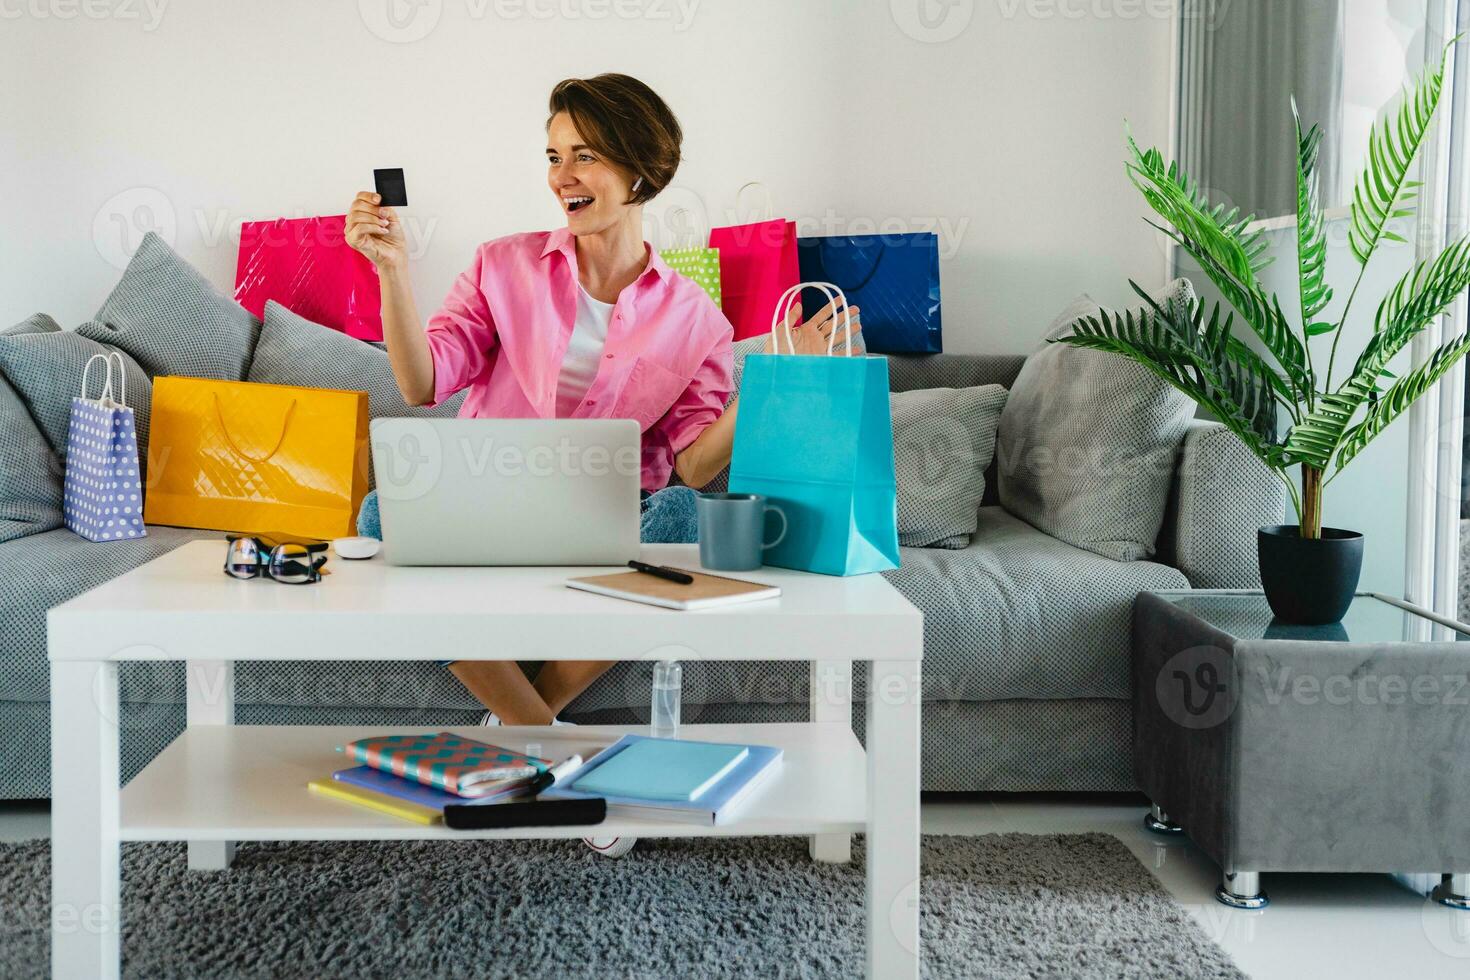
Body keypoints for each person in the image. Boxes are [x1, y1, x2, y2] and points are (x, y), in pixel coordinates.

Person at [346, 72, 858, 730]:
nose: (563, 177)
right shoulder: (502, 265)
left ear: (640, 170)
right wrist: (391, 270)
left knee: (682, 515)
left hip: (605, 522)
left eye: (585, 156)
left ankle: (520, 725)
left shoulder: (695, 318)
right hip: (489, 507)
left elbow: (697, 466)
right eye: (554, 157)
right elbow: (422, 384)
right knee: (380, 515)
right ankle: (545, 734)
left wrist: (778, 378)